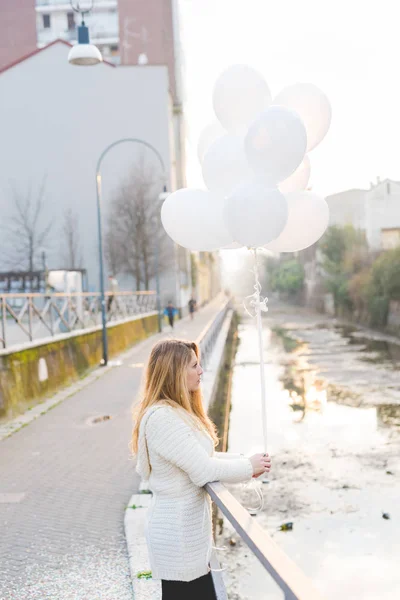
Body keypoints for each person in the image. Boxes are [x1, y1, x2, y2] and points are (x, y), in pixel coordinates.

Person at [131, 339, 271, 599]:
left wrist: (246, 461)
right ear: (175, 372)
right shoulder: (163, 418)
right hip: (177, 537)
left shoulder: (175, 413)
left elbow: (203, 456)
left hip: (188, 536)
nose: (201, 371)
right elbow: (203, 470)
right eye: (194, 366)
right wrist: (246, 467)